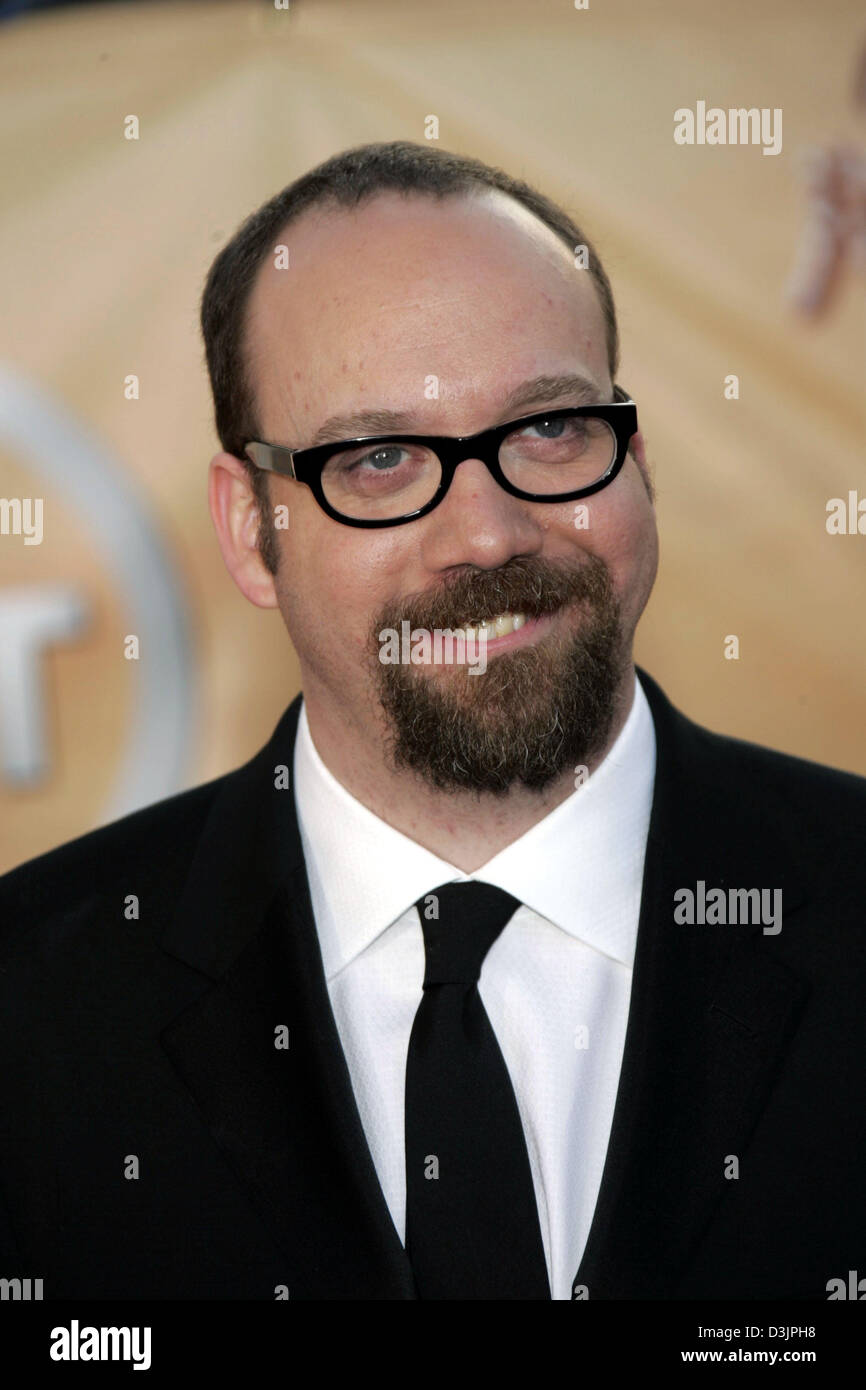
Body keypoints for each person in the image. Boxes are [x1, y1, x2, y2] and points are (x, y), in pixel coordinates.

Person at [1, 141, 864, 1301]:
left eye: (550, 430)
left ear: (637, 459)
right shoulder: (33, 1008)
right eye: (381, 458)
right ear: (253, 529)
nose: (488, 534)